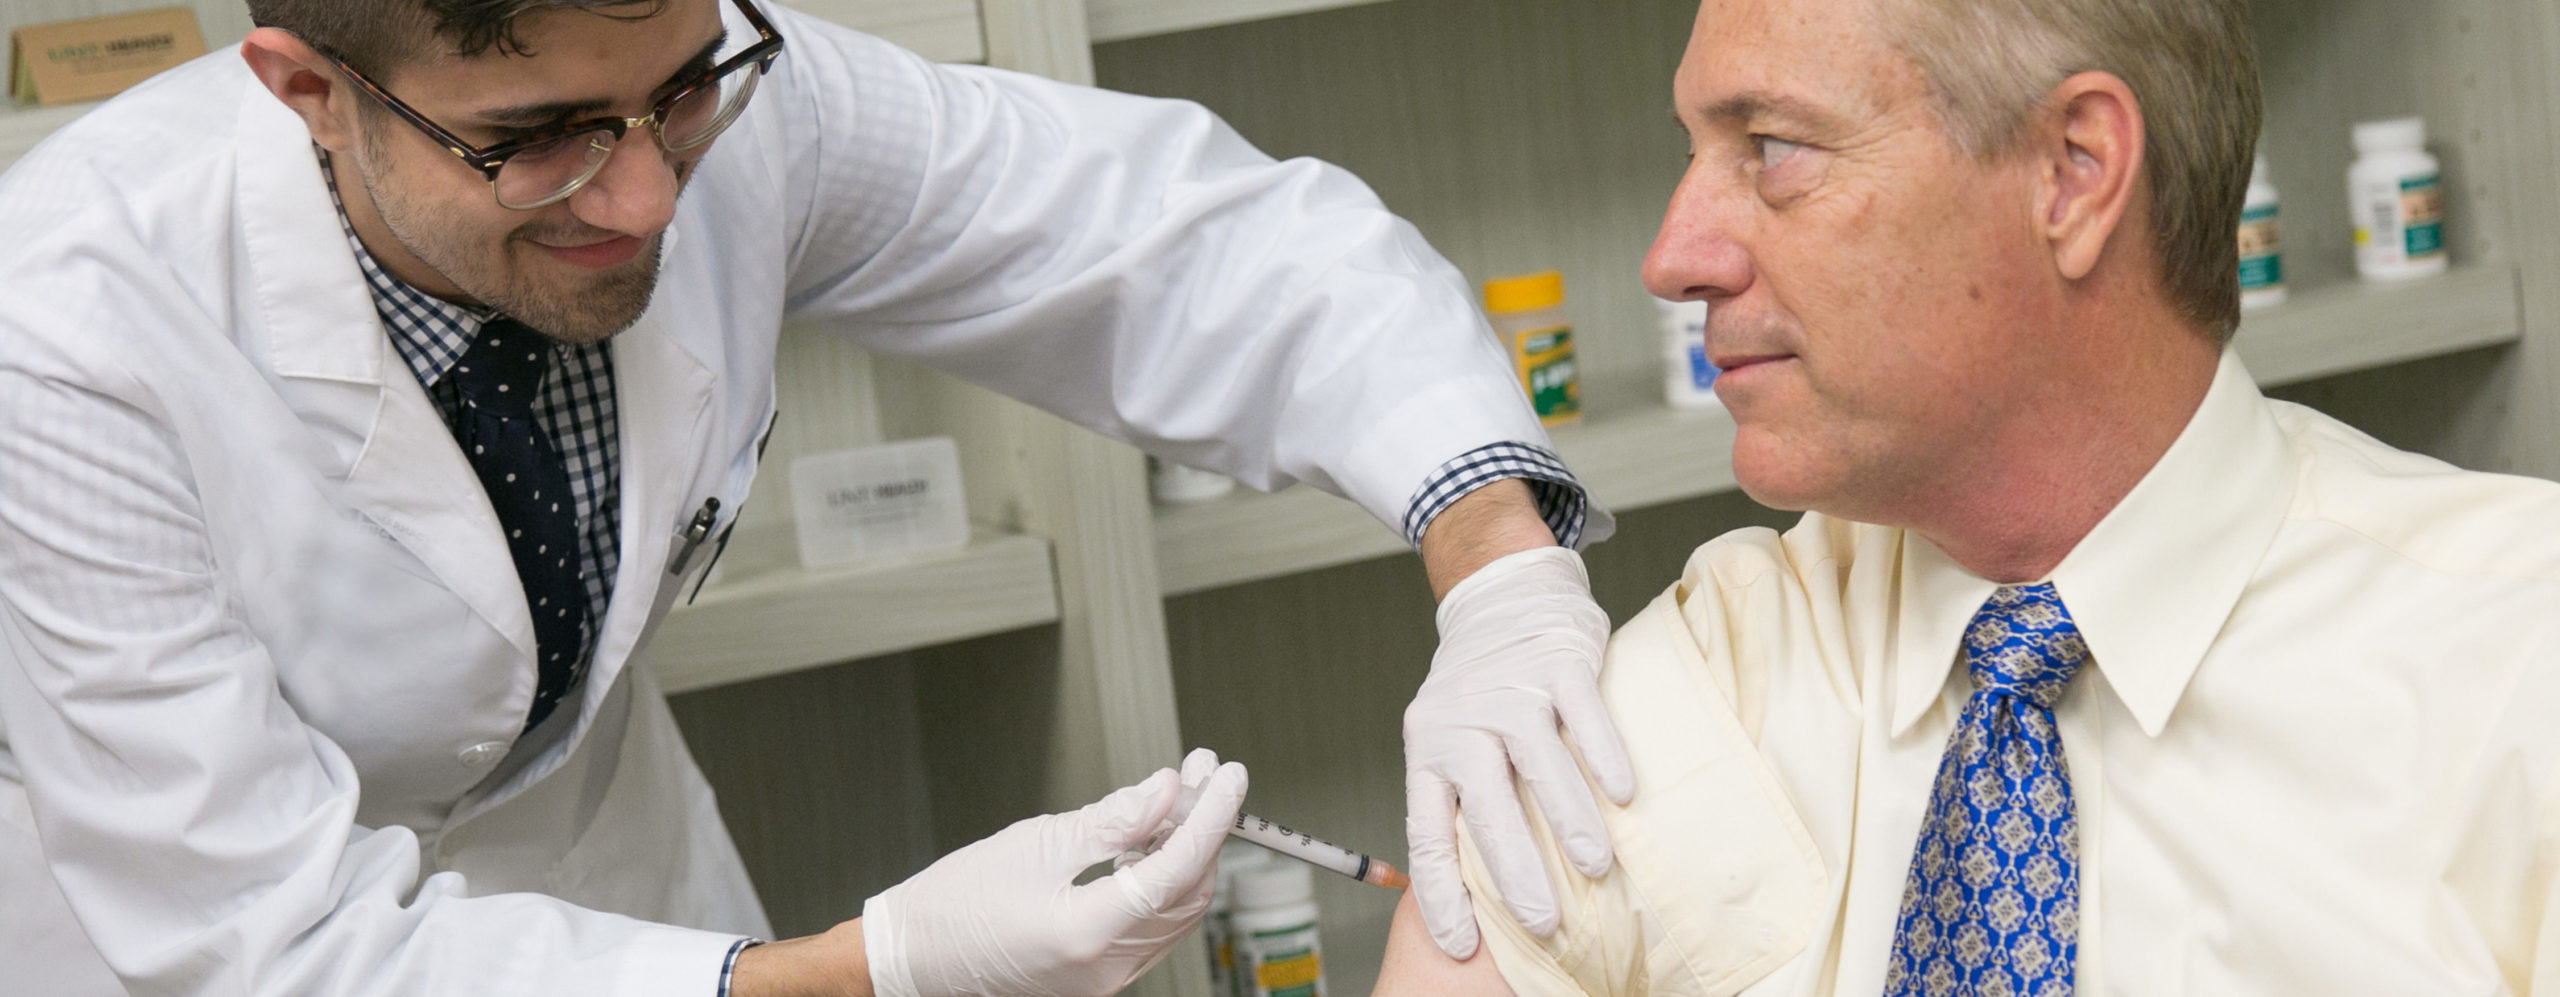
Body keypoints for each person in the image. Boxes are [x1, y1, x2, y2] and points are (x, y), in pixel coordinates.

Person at [0, 0, 1638, 994]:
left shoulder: (729, 93)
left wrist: (1498, 564)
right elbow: (269, 945)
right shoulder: (64, 327)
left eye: (678, 93)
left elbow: (1192, 242)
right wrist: (879, 968)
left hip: (621, 880)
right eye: (542, 138)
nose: (647, 192)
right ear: (304, 88)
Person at [1373, 0, 2560, 992]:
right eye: (1692, 153)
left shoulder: (2517, 663)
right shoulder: (1727, 663)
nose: (1675, 255)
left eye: (1771, 147)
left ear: (2073, 172)